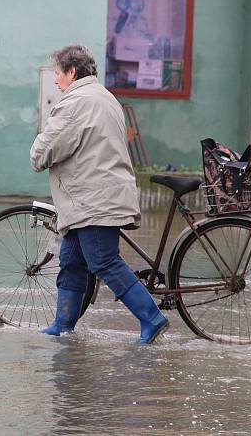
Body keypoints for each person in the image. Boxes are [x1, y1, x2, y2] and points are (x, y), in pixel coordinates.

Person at [30, 44, 169, 345]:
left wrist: (35, 154)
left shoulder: (75, 102)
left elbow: (50, 146)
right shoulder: (105, 97)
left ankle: (151, 318)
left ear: (71, 71)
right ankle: (62, 324)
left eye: (58, 74)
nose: (55, 81)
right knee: (72, 261)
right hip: (96, 196)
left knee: (104, 262)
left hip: (92, 199)